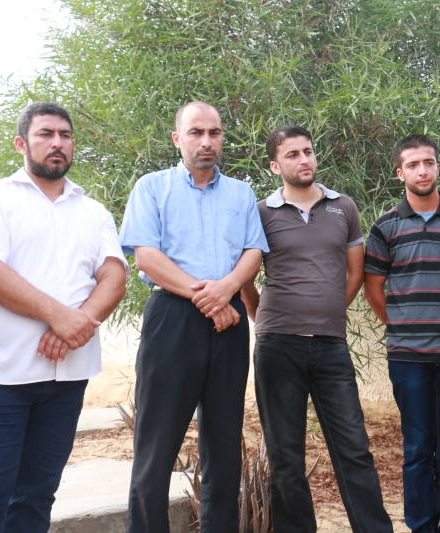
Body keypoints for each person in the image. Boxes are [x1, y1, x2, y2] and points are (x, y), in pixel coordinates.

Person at [0, 102, 128, 532]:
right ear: (21, 143)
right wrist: (61, 317)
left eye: (65, 135)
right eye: (45, 134)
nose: (57, 143)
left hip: (66, 379)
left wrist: (75, 325)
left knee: (35, 497)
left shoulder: (93, 211)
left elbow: (114, 276)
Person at [119, 101, 268, 532]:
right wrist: (211, 297)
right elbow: (146, 256)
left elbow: (253, 252)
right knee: (157, 444)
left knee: (223, 443)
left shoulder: (241, 193)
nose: (206, 141)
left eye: (214, 132)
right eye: (196, 132)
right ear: (177, 138)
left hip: (229, 325)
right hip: (173, 317)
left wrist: (226, 291)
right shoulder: (151, 187)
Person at [242, 125, 393, 533]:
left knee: (354, 448)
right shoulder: (260, 212)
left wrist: (328, 311)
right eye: (292, 154)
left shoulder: (344, 207)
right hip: (277, 347)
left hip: (331, 346)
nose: (304, 159)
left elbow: (355, 273)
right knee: (285, 455)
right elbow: (245, 278)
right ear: (275, 166)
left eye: (307, 151)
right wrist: (264, 319)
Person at [363, 134, 440, 533]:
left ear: (438, 167)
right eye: (413, 165)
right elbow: (373, 289)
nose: (422, 171)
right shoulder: (385, 226)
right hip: (408, 360)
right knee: (416, 452)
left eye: (428, 163)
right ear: (400, 173)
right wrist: (400, 324)